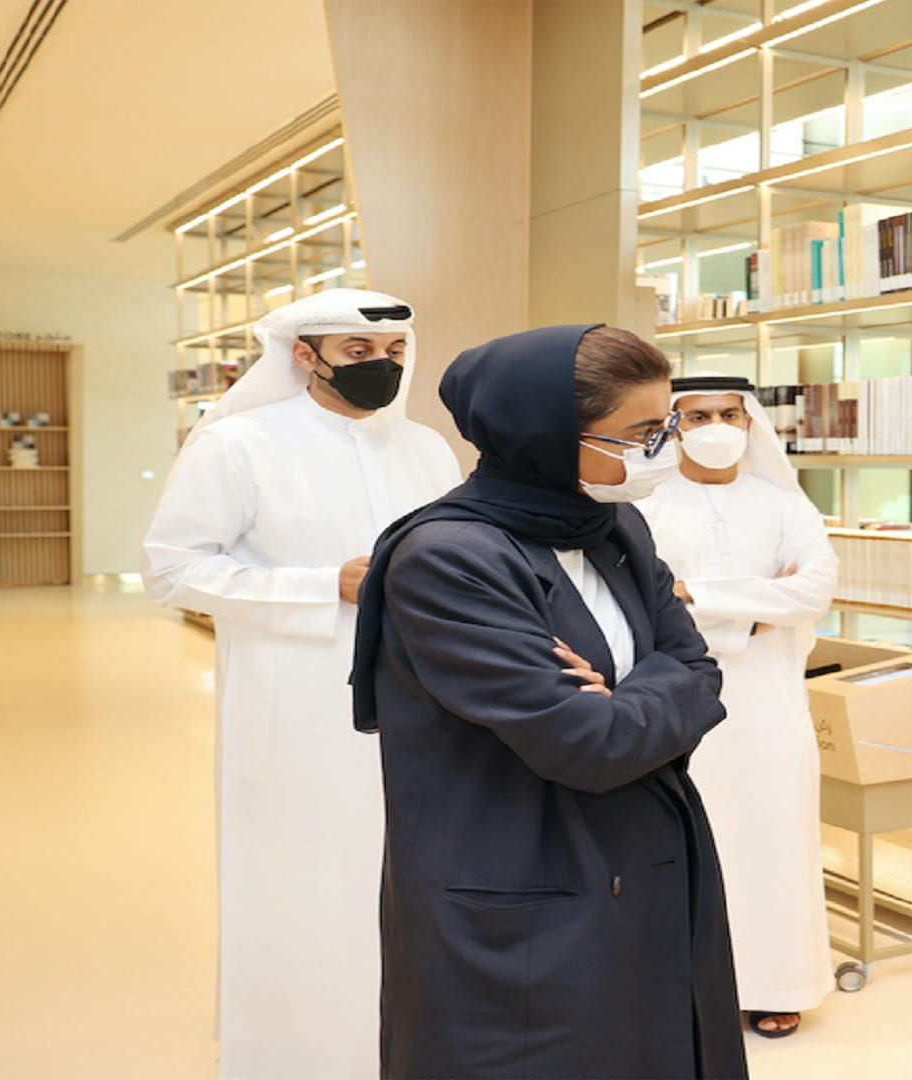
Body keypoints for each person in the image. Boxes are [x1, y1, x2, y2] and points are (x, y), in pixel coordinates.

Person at [350, 325, 747, 1080]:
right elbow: (587, 743)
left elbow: (699, 670)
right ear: (546, 435)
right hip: (519, 882)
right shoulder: (448, 559)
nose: (662, 449)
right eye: (638, 433)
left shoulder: (614, 527)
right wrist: (647, 694)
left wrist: (626, 699)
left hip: (643, 859)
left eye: (663, 426)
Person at [140, 288, 460, 1080]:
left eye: (393, 352)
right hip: (293, 707)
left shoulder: (426, 449)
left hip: (420, 702)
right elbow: (172, 570)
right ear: (305, 356)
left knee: (410, 881)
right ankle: (288, 1052)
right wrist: (323, 586)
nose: (381, 365)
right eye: (359, 352)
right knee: (299, 878)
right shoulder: (239, 443)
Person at [637, 373, 840, 1039]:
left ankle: (777, 983)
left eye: (730, 413)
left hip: (769, 705)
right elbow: (646, 600)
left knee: (773, 839)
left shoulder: (785, 505)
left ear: (751, 422)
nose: (717, 427)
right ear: (673, 426)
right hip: (673, 700)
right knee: (683, 842)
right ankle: (687, 990)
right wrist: (752, 613)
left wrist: (698, 595)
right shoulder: (645, 506)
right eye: (698, 416)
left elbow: (813, 592)